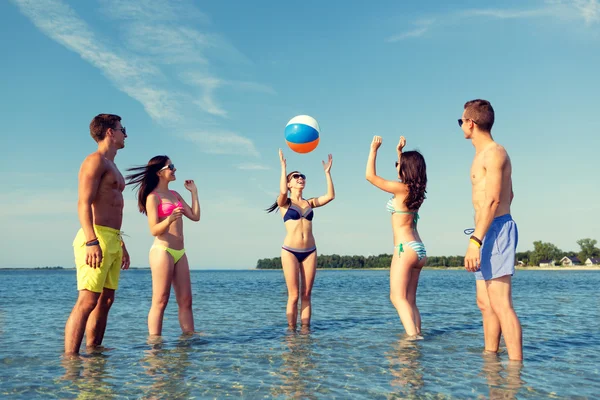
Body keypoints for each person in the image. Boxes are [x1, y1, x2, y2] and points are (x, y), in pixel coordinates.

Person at [459, 99, 522, 361]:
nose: (461, 125)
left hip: (494, 230)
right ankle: (491, 362)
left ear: (470, 123)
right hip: (484, 230)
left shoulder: (495, 153)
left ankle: (515, 372)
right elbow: (512, 192)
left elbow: (495, 199)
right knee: (485, 304)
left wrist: (475, 240)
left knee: (501, 304)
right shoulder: (480, 156)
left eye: (460, 121)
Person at [64, 114, 130, 354]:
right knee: (88, 301)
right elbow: (83, 203)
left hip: (112, 238)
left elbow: (114, 207)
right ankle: (71, 361)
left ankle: (94, 354)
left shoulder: (112, 165)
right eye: (122, 129)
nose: (126, 134)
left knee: (106, 301)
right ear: (110, 132)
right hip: (95, 237)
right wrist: (92, 241)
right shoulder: (95, 161)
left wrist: (121, 244)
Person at [126, 156, 200, 336]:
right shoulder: (153, 197)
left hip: (180, 252)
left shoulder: (175, 195)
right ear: (160, 172)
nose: (174, 169)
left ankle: (189, 341)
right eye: (171, 167)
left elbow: (195, 216)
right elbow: (154, 229)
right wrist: (170, 219)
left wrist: (194, 192)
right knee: (161, 300)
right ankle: (155, 344)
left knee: (186, 300)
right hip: (162, 250)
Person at [366, 136, 427, 339]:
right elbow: (405, 172)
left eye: (398, 165)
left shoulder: (401, 189)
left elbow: (370, 176)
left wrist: (373, 149)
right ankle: (418, 335)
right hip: (419, 248)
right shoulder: (416, 190)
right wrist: (399, 152)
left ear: (405, 169)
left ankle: (412, 339)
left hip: (404, 248)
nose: (397, 167)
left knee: (397, 297)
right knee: (410, 299)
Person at [266, 149, 335, 330]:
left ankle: (305, 333)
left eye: (302, 176)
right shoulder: (284, 203)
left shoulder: (309, 203)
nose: (300, 178)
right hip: (290, 251)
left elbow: (330, 196)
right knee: (294, 295)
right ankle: (291, 333)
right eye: (295, 177)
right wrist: (283, 167)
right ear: (289, 184)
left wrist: (327, 174)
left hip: (310, 251)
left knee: (306, 294)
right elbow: (281, 191)